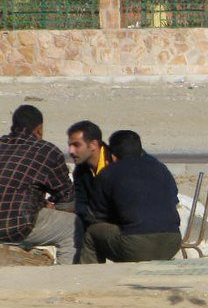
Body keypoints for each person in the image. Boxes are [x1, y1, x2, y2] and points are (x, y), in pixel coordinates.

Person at [80, 130, 182, 264]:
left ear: (113, 156)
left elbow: (95, 216)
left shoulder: (108, 173)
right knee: (124, 233)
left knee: (92, 233)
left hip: (136, 245)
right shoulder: (161, 168)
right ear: (141, 150)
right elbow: (173, 200)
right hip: (172, 242)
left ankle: (90, 279)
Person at [0, 104, 78, 264]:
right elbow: (66, 200)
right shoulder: (47, 151)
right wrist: (48, 206)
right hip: (15, 226)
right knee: (73, 227)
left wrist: (40, 203)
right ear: (39, 129)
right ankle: (66, 279)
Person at [67, 120, 112, 248]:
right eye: (70, 145)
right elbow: (82, 204)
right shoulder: (80, 171)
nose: (71, 151)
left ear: (93, 144)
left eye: (76, 145)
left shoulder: (116, 159)